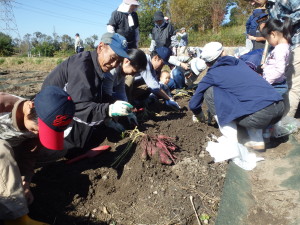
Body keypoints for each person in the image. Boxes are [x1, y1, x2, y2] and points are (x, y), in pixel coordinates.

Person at [42, 32, 134, 151]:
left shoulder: (97, 65)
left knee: (98, 127)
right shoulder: (83, 68)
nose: (114, 65)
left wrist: (119, 107)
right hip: (51, 114)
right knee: (82, 138)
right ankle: (65, 151)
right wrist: (108, 110)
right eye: (113, 58)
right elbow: (79, 106)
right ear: (100, 47)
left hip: (67, 107)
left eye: (119, 61)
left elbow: (98, 96)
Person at [0, 86, 75, 225]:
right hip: (3, 151)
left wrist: (25, 181)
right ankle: (16, 219)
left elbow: (29, 155)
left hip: (9, 151)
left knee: (59, 150)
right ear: (30, 107)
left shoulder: (36, 127)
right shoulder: (3, 105)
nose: (37, 134)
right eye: (37, 129)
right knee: (2, 149)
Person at [189, 42, 284, 150]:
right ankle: (257, 139)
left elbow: (193, 104)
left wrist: (199, 115)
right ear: (223, 53)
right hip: (280, 107)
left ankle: (232, 138)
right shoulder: (239, 62)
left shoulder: (212, 74)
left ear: (207, 64)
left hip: (259, 118)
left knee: (210, 92)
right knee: (246, 96)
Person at [244, 0, 300, 118]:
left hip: (297, 43)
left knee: (293, 86)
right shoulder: (269, 5)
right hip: (284, 46)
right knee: (286, 82)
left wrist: (281, 24)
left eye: (252, 0)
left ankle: (284, 123)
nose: (253, 3)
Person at [125, 46, 180, 111]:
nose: (162, 67)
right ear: (156, 58)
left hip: (132, 86)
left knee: (148, 88)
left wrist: (169, 98)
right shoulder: (145, 60)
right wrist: (168, 98)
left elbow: (156, 84)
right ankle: (129, 105)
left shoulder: (152, 67)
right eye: (162, 64)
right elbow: (153, 86)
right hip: (125, 85)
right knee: (146, 86)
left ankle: (138, 103)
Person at [260, 18, 292, 96]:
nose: (269, 42)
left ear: (273, 34)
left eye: (268, 39)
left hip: (275, 85)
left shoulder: (280, 50)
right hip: (275, 83)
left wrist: (266, 81)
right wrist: (265, 66)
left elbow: (279, 70)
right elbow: (274, 62)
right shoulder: (283, 47)